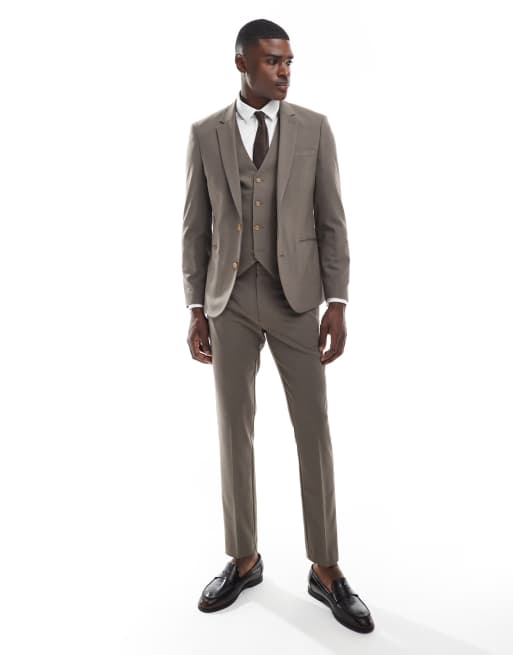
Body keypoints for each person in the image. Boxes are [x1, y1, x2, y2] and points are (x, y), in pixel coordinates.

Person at [181, 18, 374, 633]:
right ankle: (244, 558)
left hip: (298, 300)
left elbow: (332, 220)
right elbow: (195, 228)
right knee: (233, 431)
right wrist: (194, 308)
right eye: (273, 61)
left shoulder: (314, 128)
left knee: (313, 429)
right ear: (243, 62)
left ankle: (326, 568)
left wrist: (337, 300)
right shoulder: (205, 133)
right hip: (229, 300)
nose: (285, 71)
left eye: (289, 61)